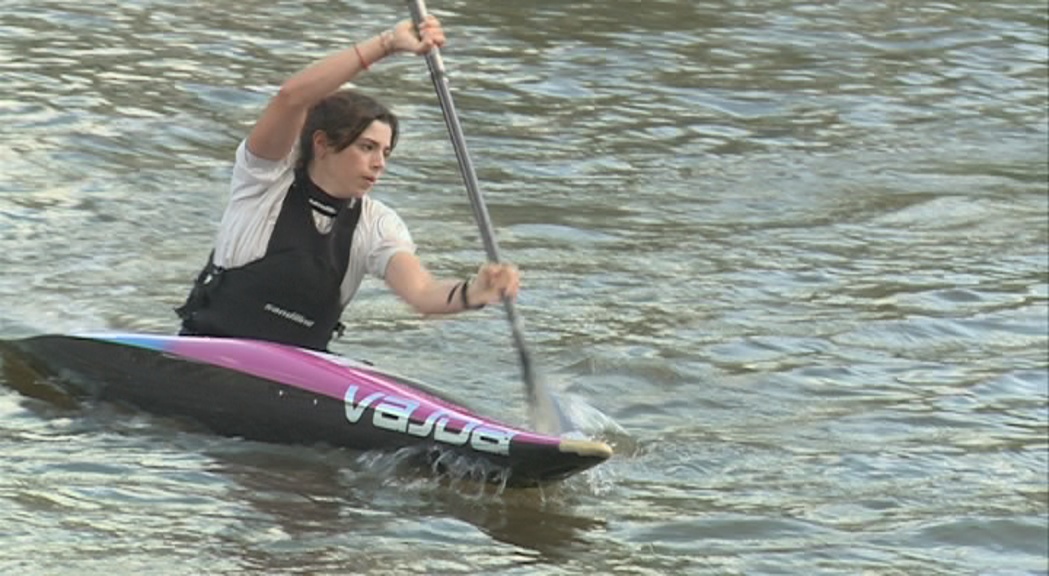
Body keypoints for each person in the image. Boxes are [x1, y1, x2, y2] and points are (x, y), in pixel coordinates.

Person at [176, 15, 520, 352]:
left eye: (385, 151)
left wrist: (472, 292)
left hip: (300, 379)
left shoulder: (376, 224)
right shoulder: (264, 179)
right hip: (208, 349)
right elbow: (292, 96)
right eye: (367, 147)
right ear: (322, 144)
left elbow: (422, 294)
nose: (379, 163)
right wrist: (387, 44)